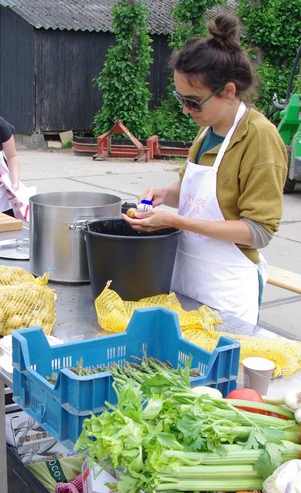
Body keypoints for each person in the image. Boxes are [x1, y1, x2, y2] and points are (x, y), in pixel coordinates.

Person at [123, 13, 286, 332]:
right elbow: (191, 192)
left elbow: (259, 231)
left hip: (227, 291)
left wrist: (177, 221)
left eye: (194, 102)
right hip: (188, 279)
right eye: (181, 99)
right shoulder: (207, 131)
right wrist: (165, 195)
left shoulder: (259, 138)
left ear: (228, 91)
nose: (186, 110)